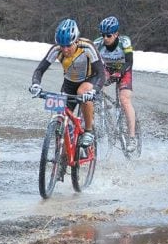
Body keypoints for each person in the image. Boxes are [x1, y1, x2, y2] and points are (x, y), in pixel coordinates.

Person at [29, 18, 105, 147]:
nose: (65, 50)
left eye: (68, 45)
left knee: (82, 91)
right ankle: (65, 153)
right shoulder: (56, 49)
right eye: (62, 46)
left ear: (76, 41)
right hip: (69, 83)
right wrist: (36, 84)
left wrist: (94, 91)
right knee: (61, 119)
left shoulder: (87, 47)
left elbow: (101, 73)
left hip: (90, 79)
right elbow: (40, 69)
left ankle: (88, 131)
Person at [94, 16, 137, 152]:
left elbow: (129, 62)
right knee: (96, 88)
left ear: (116, 34)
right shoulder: (97, 44)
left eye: (108, 35)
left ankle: (131, 137)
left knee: (124, 99)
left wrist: (120, 72)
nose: (105, 38)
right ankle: (102, 117)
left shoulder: (124, 42)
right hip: (106, 69)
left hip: (124, 70)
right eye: (103, 35)